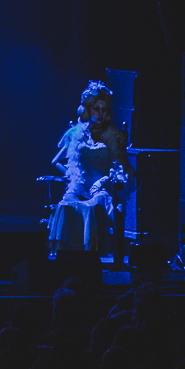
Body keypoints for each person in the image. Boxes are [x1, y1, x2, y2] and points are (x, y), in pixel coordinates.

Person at [47, 81, 132, 256]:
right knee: (65, 204)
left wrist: (103, 181)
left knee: (93, 206)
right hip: (79, 186)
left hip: (101, 188)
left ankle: (90, 255)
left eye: (104, 109)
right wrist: (73, 178)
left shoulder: (113, 136)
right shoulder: (75, 133)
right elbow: (56, 161)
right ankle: (65, 256)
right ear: (87, 109)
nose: (100, 113)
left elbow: (119, 167)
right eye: (96, 108)